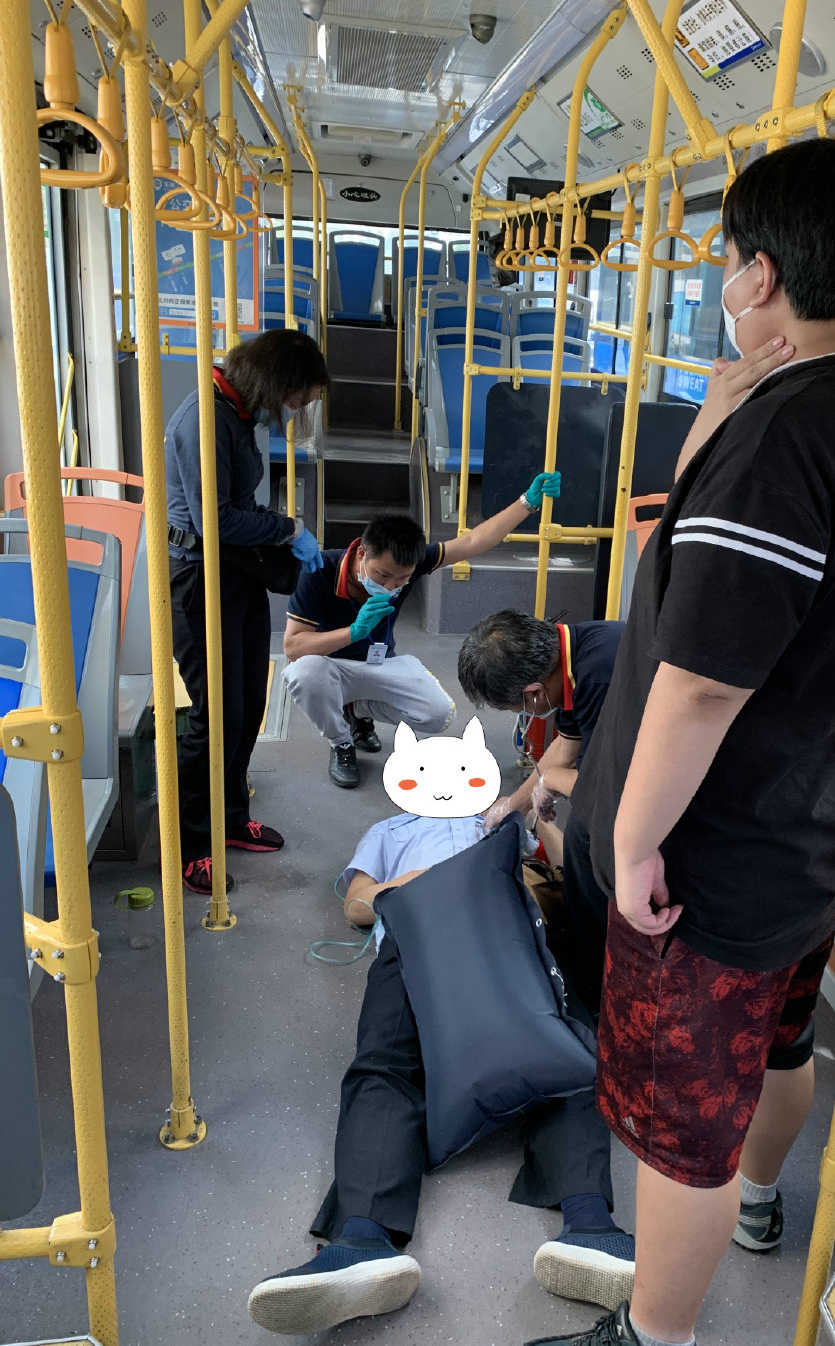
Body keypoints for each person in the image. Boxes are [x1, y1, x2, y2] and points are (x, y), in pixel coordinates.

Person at [517, 135, 835, 1346]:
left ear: (759, 275)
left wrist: (634, 841)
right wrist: (721, 408)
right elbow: (701, 539)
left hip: (719, 849)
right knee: (782, 1042)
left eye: (729, 259)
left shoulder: (783, 446)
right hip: (818, 814)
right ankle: (758, 1200)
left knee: (679, 1117)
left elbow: (699, 683)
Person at [246, 761, 636, 1336]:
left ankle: (590, 1226)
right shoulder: (389, 831)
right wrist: (424, 880)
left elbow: (566, 870)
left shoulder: (496, 821)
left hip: (504, 928)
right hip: (416, 937)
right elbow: (357, 905)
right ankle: (362, 1241)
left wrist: (539, 820)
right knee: (384, 1064)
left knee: (571, 1047)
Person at [165, 328, 330, 895]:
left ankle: (231, 819)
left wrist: (280, 532)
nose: (291, 411)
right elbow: (215, 519)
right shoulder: (204, 420)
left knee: (248, 705)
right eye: (295, 399)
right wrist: (288, 528)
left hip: (235, 571)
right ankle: (192, 845)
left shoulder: (236, 414)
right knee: (214, 715)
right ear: (275, 383)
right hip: (199, 577)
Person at [281, 472, 562, 788]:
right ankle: (341, 742)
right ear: (361, 553)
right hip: (331, 667)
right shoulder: (319, 571)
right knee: (303, 673)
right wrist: (353, 632)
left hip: (380, 663)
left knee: (438, 714)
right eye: (382, 575)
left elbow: (474, 541)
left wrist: (526, 503)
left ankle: (355, 709)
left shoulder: (412, 562)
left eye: (401, 579)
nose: (390, 586)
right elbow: (292, 647)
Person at [457, 609, 624, 1014]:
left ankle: (595, 991)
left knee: (586, 844)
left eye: (516, 706)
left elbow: (610, 792)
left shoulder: (600, 678)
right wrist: (512, 805)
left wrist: (553, 781)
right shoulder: (569, 655)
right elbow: (566, 745)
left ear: (533, 693)